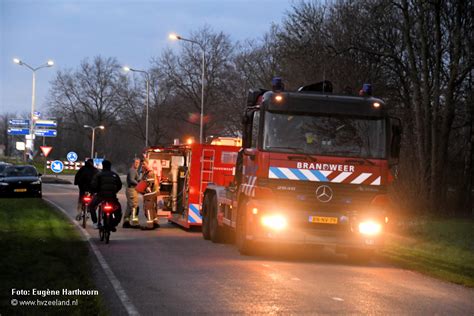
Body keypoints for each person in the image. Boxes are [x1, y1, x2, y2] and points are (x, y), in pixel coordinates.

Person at [89, 160, 123, 231]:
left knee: (91, 206)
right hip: (112, 197)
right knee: (118, 209)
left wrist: (95, 191)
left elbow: (93, 185)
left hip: (101, 196)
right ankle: (113, 224)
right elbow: (119, 185)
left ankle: (95, 222)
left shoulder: (99, 175)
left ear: (103, 166)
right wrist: (114, 191)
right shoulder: (114, 175)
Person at [141, 159, 160, 230]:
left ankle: (150, 225)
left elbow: (149, 184)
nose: (142, 166)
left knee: (148, 209)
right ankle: (155, 223)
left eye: (144, 164)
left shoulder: (150, 173)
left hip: (150, 194)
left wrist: (145, 189)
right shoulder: (147, 173)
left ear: (147, 164)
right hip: (152, 193)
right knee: (152, 208)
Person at [123, 158, 141, 228]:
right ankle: (135, 223)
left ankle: (126, 222)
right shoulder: (132, 170)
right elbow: (131, 180)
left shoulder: (134, 170)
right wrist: (139, 184)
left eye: (138, 163)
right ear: (133, 163)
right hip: (132, 190)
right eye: (136, 162)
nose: (137, 164)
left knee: (129, 206)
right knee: (134, 206)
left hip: (131, 189)